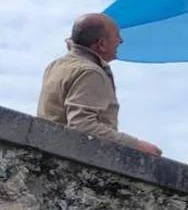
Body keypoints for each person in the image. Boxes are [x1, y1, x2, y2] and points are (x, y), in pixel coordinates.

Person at [38, 13, 162, 156]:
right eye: (117, 38)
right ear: (101, 44)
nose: (120, 41)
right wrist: (136, 145)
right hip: (75, 159)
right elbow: (82, 126)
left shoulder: (56, 65)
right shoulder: (90, 72)